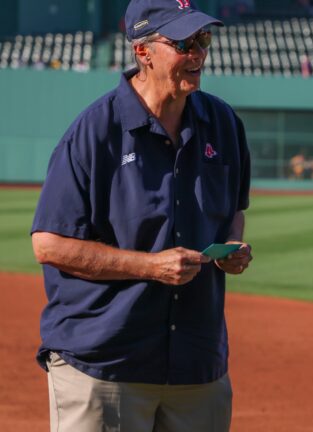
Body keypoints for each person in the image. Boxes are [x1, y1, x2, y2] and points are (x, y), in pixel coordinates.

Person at [30, 0, 252, 430]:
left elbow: (234, 211)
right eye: (184, 42)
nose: (198, 54)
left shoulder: (223, 123)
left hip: (196, 364)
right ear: (143, 52)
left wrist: (233, 247)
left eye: (204, 40)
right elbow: (48, 244)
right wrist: (151, 266)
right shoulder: (95, 130)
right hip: (106, 363)